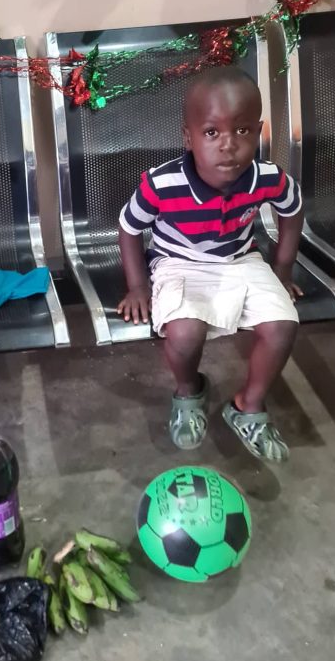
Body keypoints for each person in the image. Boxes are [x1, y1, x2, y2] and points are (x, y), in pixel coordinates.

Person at [117, 66, 304, 463]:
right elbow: (129, 227)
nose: (228, 145)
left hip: (241, 259)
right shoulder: (161, 184)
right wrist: (137, 286)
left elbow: (292, 209)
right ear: (189, 138)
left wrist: (283, 270)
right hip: (178, 262)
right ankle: (189, 390)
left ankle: (248, 405)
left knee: (282, 326)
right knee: (184, 333)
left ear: (259, 132)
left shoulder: (267, 178)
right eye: (211, 132)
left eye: (242, 130)